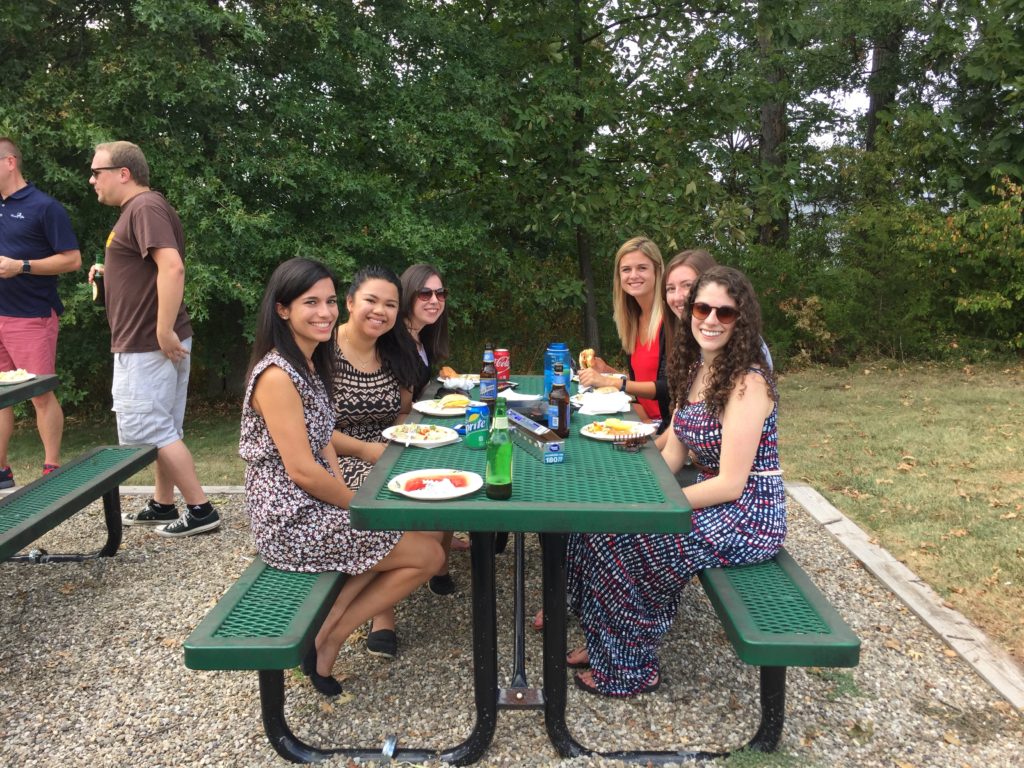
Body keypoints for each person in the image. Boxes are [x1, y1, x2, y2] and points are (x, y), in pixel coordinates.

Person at [566, 266, 786, 697]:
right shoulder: (696, 369)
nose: (711, 319)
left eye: (726, 313)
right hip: (714, 498)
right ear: (690, 314)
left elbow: (730, 484)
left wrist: (657, 507)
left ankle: (632, 667)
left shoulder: (748, 382)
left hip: (749, 514)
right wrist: (633, 493)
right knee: (594, 526)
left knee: (628, 542)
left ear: (741, 322)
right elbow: (673, 452)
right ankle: (605, 640)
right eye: (703, 308)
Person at [240, 258, 444, 698]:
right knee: (426, 555)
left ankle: (329, 632)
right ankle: (328, 635)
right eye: (310, 303)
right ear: (282, 310)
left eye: (329, 302)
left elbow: (324, 444)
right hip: (290, 519)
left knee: (422, 542)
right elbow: (300, 469)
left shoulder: (309, 364)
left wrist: (349, 491)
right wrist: (357, 503)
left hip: (312, 503)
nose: (325, 312)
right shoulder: (277, 375)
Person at [88, 140, 219, 536]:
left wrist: (162, 329)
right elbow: (149, 270)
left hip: (148, 343)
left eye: (97, 172)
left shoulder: (143, 207)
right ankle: (164, 504)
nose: (92, 180)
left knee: (149, 430)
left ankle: (201, 511)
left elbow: (172, 268)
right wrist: (109, 272)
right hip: (152, 341)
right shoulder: (143, 210)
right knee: (164, 427)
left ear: (123, 174)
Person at [331, 265, 422, 659]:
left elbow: (400, 414)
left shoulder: (392, 352)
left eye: (390, 304)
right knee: (398, 508)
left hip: (388, 450)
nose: (379, 311)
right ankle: (381, 615)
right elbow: (310, 427)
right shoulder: (323, 351)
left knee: (435, 503)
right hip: (337, 458)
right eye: (371, 300)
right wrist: (367, 450)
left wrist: (414, 432)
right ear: (350, 302)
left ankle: (370, 601)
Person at [0, 138, 82, 486]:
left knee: (40, 395)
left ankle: (52, 468)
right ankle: (2, 471)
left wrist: (23, 266)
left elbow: (72, 260)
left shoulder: (45, 207)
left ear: (9, 163)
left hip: (31, 316)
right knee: (1, 397)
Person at [399, 263, 469, 579]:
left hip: (417, 425)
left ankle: (444, 533)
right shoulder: (398, 339)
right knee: (457, 452)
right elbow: (402, 409)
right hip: (399, 435)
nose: (434, 299)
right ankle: (437, 558)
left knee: (466, 444)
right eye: (424, 292)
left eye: (440, 293)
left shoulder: (421, 337)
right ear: (407, 296)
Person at [577, 236, 670, 432]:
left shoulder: (670, 321)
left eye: (642, 268)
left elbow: (667, 387)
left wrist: (611, 382)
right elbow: (642, 380)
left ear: (657, 271)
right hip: (641, 415)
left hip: (666, 426)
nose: (633, 275)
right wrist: (607, 370)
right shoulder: (633, 320)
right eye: (626, 269)